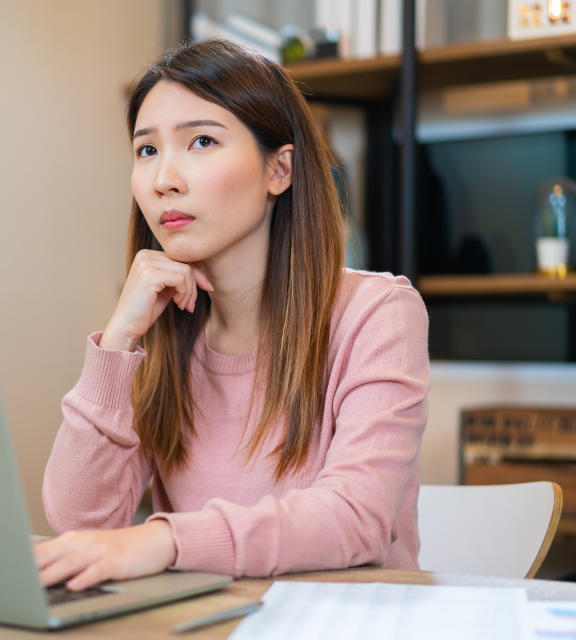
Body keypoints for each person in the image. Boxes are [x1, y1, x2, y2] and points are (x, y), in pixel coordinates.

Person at [34, 39, 429, 592]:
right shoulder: (163, 330)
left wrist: (165, 540)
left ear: (279, 171)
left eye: (201, 141)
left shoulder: (378, 313)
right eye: (146, 150)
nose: (164, 178)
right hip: (205, 624)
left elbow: (355, 520)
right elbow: (81, 523)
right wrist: (117, 345)